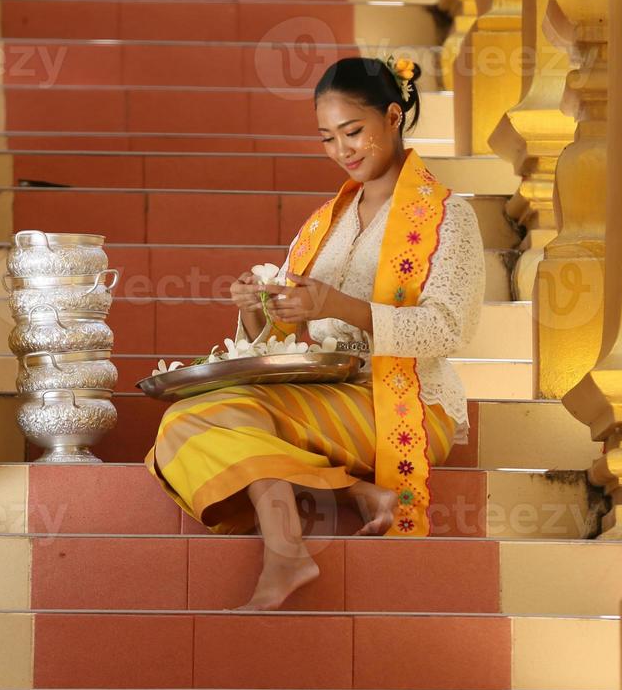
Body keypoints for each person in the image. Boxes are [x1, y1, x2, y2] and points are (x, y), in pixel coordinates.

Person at [144, 55, 486, 609]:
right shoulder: (324, 222)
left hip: (410, 402)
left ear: (393, 117)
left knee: (206, 419)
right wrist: (257, 308)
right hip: (328, 392)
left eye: (353, 132)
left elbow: (448, 329)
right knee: (183, 418)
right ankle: (325, 518)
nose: (342, 150)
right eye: (327, 138)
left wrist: (337, 304)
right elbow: (282, 335)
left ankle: (290, 548)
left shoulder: (448, 217)